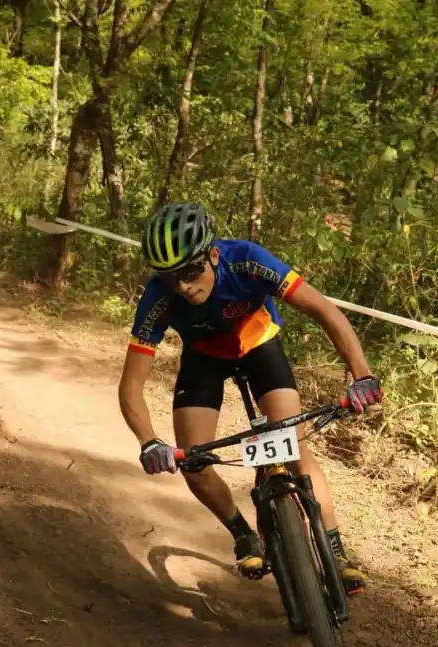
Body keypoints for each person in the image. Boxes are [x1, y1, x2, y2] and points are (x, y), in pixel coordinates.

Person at [118, 201, 382, 595]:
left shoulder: (247, 261)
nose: (184, 286)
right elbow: (131, 384)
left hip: (258, 344)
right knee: (194, 463)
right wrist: (149, 441)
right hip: (203, 358)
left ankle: (335, 551)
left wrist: (362, 374)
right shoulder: (159, 297)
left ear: (212, 254)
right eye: (171, 278)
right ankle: (243, 535)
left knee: (294, 447)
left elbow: (324, 310)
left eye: (190, 272)